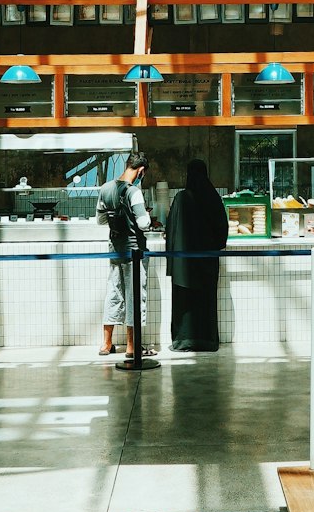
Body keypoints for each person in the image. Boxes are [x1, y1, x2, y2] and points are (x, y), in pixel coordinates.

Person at [165, 159, 229, 352]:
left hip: (183, 263)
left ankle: (183, 341)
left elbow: (170, 230)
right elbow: (222, 230)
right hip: (207, 262)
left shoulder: (180, 198)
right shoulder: (213, 197)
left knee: (184, 302)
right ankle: (207, 341)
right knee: (205, 301)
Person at [96, 151, 152, 358]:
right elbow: (143, 223)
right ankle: (131, 347)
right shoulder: (134, 191)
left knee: (113, 293)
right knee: (134, 296)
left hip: (115, 249)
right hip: (134, 251)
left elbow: (100, 220)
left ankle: (106, 344)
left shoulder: (106, 188)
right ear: (141, 170)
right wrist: (146, 215)